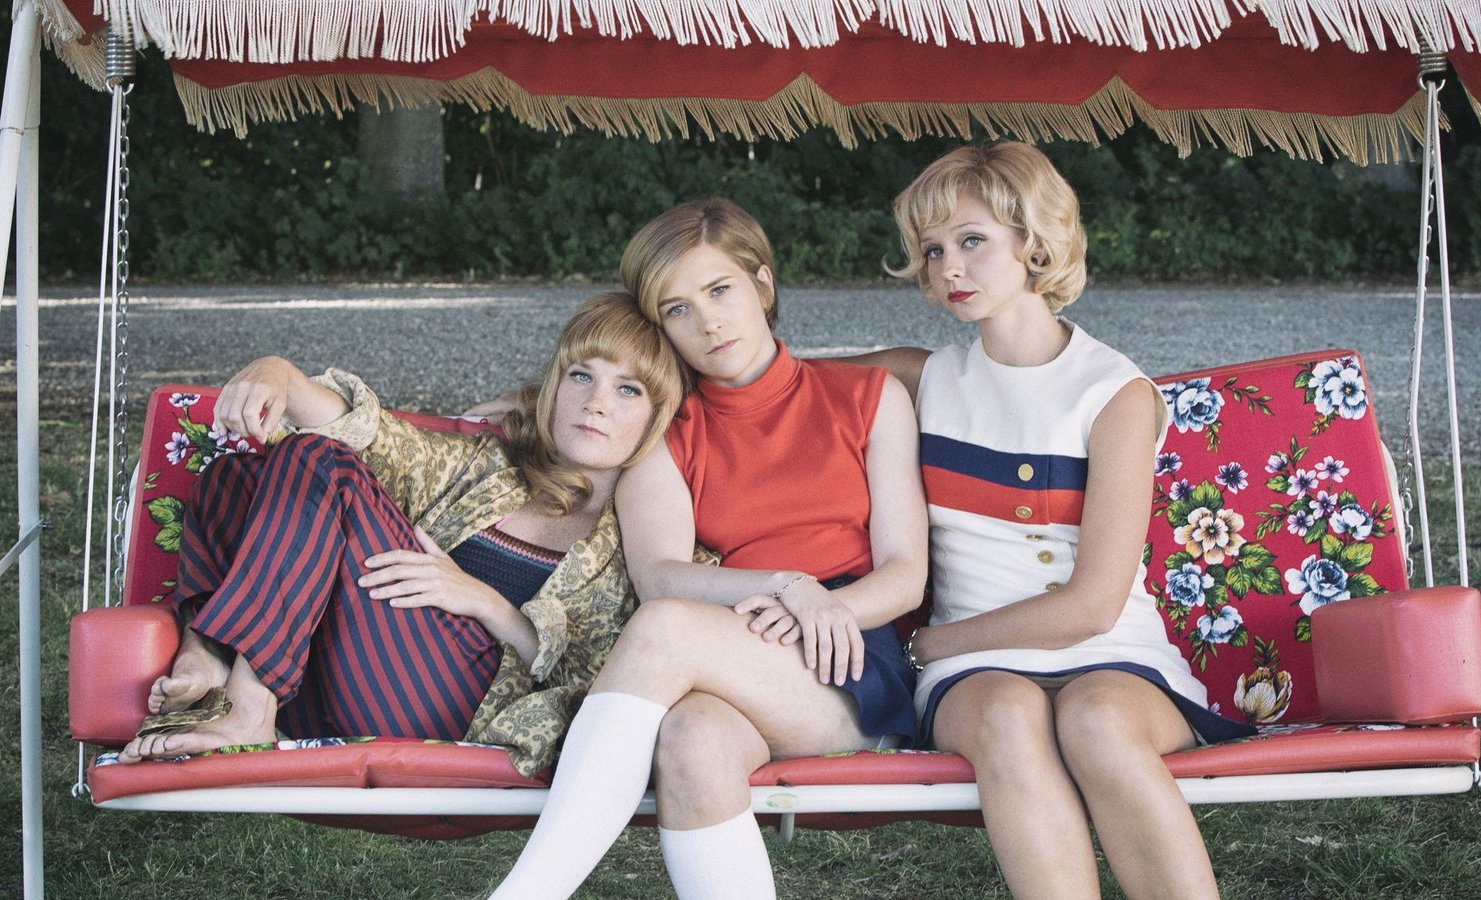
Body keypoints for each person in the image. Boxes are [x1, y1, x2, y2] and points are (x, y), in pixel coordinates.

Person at [489, 199, 927, 900]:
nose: (708, 322)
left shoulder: (868, 396)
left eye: (720, 290)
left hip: (850, 657)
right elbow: (661, 576)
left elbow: (906, 574)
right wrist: (786, 585)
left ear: (763, 284)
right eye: (678, 309)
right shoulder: (665, 427)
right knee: (692, 740)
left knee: (667, 629)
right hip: (735, 638)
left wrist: (823, 605)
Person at [863, 142, 1255, 899]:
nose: (949, 268)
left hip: (1113, 652)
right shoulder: (923, 378)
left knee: (1097, 720)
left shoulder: (1113, 394)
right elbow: (768, 381)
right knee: (1008, 715)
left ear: (1034, 244)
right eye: (933, 249)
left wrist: (929, 642)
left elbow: (1093, 605)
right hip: (976, 675)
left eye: (971, 240)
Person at [117, 292, 687, 780]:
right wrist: (280, 374)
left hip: (453, 712)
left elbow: (603, 690)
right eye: (581, 376)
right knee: (237, 475)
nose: (596, 404)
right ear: (554, 388)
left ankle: (247, 706)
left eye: (628, 390)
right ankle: (210, 654)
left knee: (322, 462)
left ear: (656, 417)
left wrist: (485, 602)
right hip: (329, 680)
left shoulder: (644, 551)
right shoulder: (488, 468)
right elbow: (378, 438)